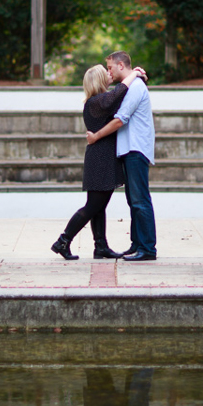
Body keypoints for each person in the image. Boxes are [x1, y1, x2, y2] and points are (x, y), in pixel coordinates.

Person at [51, 63, 144, 261]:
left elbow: (121, 96)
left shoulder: (97, 102)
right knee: (93, 206)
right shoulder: (98, 102)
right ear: (100, 80)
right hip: (101, 159)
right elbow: (121, 90)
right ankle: (63, 241)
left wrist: (136, 75)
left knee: (98, 205)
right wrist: (134, 73)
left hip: (101, 157)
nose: (110, 74)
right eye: (106, 73)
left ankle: (100, 246)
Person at [87, 51, 157, 261]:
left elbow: (120, 119)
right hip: (128, 150)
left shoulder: (135, 87)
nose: (108, 72)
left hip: (136, 149)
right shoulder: (130, 85)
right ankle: (137, 244)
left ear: (120, 65)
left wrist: (96, 136)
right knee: (133, 201)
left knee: (140, 200)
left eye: (109, 68)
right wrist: (137, 74)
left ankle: (147, 248)